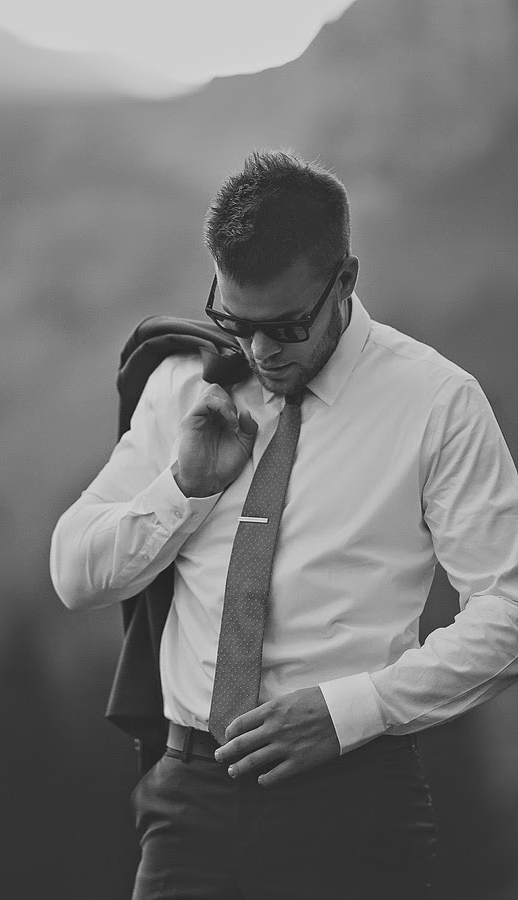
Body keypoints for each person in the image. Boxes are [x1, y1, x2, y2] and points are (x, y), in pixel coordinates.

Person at [50, 150, 518, 899]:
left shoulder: (437, 403)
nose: (261, 352)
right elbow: (74, 573)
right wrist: (184, 488)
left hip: (354, 804)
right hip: (187, 802)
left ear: (346, 280)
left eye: (287, 326)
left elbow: (508, 610)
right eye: (237, 322)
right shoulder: (185, 384)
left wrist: (351, 711)